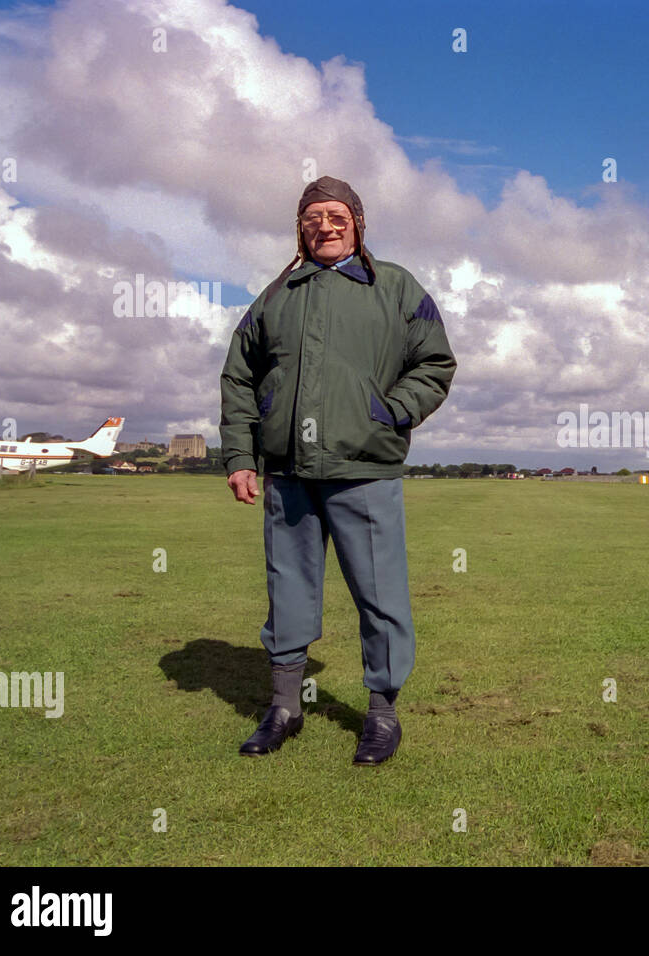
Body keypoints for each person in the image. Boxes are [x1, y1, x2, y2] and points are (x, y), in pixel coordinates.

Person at [219, 175, 456, 765]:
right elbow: (239, 378)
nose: (325, 225)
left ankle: (381, 715)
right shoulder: (275, 297)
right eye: (312, 216)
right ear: (300, 227)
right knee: (288, 590)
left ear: (357, 223)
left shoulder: (397, 287)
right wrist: (241, 456)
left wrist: (389, 413)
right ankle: (284, 708)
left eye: (336, 215)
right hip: (289, 475)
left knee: (381, 596)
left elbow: (435, 362)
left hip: (365, 469)